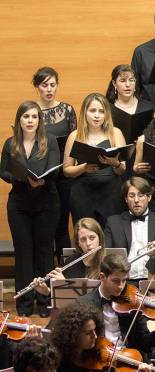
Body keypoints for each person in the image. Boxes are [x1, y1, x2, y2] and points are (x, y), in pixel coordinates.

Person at [1, 101, 60, 316]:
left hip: (46, 203)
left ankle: (45, 303)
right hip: (19, 205)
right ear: (19, 120)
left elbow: (55, 168)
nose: (30, 121)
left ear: (39, 120)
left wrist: (40, 180)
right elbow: (3, 172)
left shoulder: (50, 141)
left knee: (44, 254)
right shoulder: (10, 143)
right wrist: (21, 178)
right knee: (23, 254)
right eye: (26, 117)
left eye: (34, 117)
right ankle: (24, 305)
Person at [77, 253, 155, 359]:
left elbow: (145, 344)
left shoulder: (132, 303)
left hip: (130, 360)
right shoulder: (84, 304)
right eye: (116, 281)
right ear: (102, 277)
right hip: (99, 362)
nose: (121, 286)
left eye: (124, 280)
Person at [62, 93, 127, 226]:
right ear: (85, 112)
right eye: (92, 111)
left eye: (101, 111)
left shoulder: (115, 133)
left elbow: (123, 169)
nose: (97, 115)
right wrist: (83, 167)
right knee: (85, 235)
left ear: (106, 114)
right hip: (82, 194)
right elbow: (66, 170)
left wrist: (116, 163)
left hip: (111, 193)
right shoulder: (75, 135)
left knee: (111, 235)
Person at [32, 67, 77, 260]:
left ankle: (63, 277)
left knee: (61, 226)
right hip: (41, 177)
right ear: (37, 87)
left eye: (53, 85)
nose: (49, 89)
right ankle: (43, 275)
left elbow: (75, 142)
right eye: (44, 85)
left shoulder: (67, 110)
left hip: (63, 176)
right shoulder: (31, 112)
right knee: (42, 226)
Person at [104, 177, 155, 282]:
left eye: (141, 195)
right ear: (126, 199)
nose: (136, 200)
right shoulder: (113, 223)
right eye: (132, 196)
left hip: (153, 281)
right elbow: (106, 257)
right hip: (123, 282)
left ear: (149, 197)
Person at [105, 64, 154, 139]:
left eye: (131, 80)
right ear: (114, 83)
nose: (128, 85)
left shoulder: (149, 107)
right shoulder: (107, 108)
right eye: (123, 81)